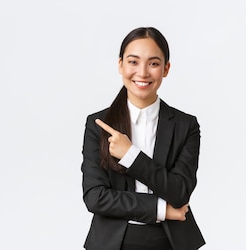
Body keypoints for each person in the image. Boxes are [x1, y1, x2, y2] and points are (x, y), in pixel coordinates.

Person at [80, 27, 206, 250]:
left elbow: (179, 192)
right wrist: (160, 209)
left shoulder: (186, 126)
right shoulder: (98, 125)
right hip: (112, 241)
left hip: (170, 241)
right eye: (133, 62)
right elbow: (95, 197)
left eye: (154, 63)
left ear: (166, 69)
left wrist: (131, 155)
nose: (143, 72)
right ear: (120, 65)